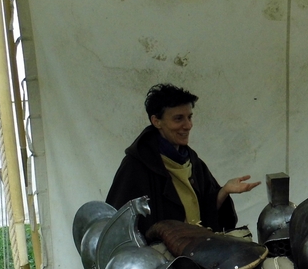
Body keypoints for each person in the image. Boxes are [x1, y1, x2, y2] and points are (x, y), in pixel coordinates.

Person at [106, 83, 260, 235]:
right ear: (156, 121)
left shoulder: (193, 161)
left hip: (196, 248)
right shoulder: (136, 166)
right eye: (178, 119)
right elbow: (118, 227)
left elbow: (206, 212)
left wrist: (224, 190)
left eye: (189, 117)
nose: (188, 125)